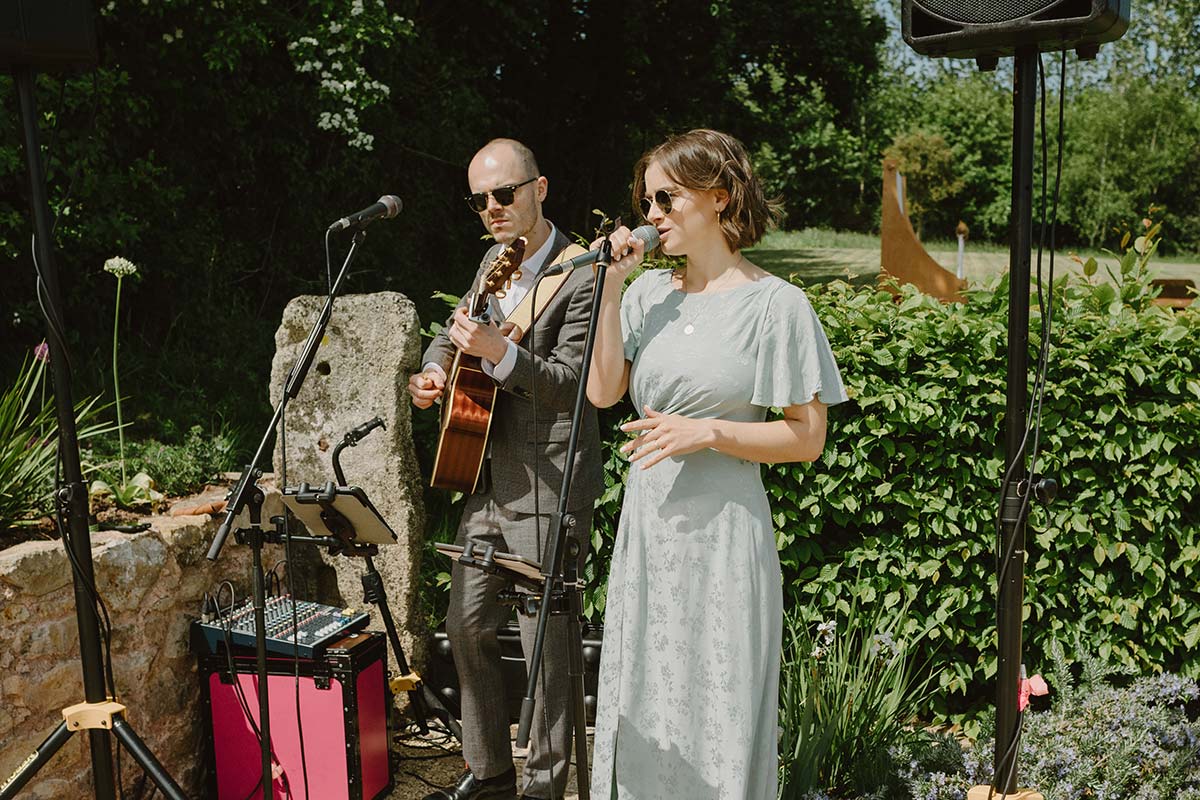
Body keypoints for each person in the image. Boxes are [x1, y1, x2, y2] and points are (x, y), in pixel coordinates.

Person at [585, 129, 848, 799]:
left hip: (725, 539)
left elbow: (806, 437)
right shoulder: (646, 297)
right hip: (649, 538)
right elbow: (603, 392)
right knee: (648, 703)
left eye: (666, 199)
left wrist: (707, 430)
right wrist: (612, 292)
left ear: (720, 197)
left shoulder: (777, 306)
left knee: (718, 707)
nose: (651, 216)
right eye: (646, 201)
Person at [409, 138, 603, 800]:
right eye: (479, 200)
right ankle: (490, 773)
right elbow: (452, 328)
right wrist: (436, 368)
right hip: (487, 479)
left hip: (549, 484)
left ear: (539, 188)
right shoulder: (494, 260)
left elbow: (577, 383)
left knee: (547, 650)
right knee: (464, 623)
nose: (491, 208)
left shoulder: (584, 273)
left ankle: (545, 788)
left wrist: (500, 354)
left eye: (503, 193)